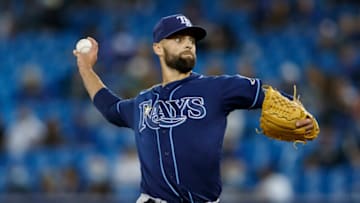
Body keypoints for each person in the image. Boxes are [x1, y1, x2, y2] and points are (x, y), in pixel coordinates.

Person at [73, 14, 315, 203]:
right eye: (178, 39)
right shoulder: (143, 101)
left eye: (191, 40)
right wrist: (86, 68)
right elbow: (111, 108)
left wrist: (297, 110)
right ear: (158, 48)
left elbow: (266, 94)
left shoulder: (218, 88)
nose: (188, 44)